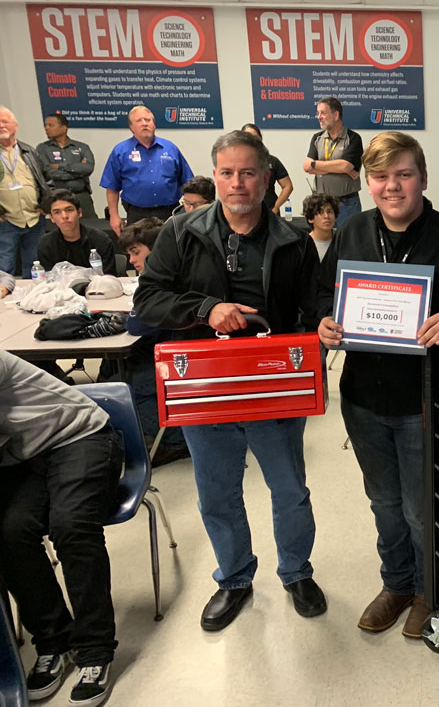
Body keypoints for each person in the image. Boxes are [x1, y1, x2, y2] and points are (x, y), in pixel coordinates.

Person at [317, 131, 439, 638]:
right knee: (383, 501)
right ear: (367, 182)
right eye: (380, 177)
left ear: (422, 179)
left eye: (403, 175)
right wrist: (323, 322)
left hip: (425, 399)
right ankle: (397, 583)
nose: (392, 187)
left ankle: (431, 590)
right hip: (362, 398)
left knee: (420, 505)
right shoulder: (352, 232)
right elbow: (319, 296)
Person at [134, 129, 325, 631]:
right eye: (227, 173)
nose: (237, 183)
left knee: (290, 492)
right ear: (214, 176)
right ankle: (235, 579)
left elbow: (315, 307)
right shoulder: (180, 232)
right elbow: (148, 299)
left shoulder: (295, 242)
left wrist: (322, 331)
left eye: (247, 173)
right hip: (206, 390)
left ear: (266, 179)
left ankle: (296, 572)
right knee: (217, 494)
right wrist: (206, 308)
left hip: (273, 388)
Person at [0, 349, 123, 707]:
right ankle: (54, 642)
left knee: (71, 525)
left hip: (81, 435)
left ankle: (95, 650)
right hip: (26, 453)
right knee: (11, 532)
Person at [114, 217, 188, 465]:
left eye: (136, 253)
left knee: (126, 383)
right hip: (172, 351)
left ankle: (176, 441)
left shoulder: (162, 283)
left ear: (157, 251)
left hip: (175, 359)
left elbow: (136, 325)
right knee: (112, 372)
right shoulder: (179, 271)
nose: (132, 261)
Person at [100, 106, 193, 236]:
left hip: (168, 212)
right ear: (131, 127)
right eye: (139, 121)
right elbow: (111, 187)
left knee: (171, 253)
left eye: (148, 120)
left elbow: (188, 182)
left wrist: (191, 209)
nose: (144, 123)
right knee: (138, 252)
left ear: (154, 124)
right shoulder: (120, 151)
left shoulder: (170, 148)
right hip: (137, 214)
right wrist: (114, 216)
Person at [0, 106, 51, 278]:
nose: (1, 126)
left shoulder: (29, 151)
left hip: (34, 217)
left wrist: (47, 204)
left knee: (35, 264)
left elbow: (46, 179)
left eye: (5, 122)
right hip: (5, 219)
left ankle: (32, 299)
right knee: (4, 265)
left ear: (15, 126)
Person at [304, 97, 363, 226]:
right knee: (325, 244)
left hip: (347, 204)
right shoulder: (317, 138)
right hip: (321, 203)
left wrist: (317, 165)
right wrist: (338, 168)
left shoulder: (353, 138)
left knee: (348, 242)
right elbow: (307, 167)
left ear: (336, 115)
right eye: (317, 113)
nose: (319, 117)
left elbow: (345, 166)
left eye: (323, 113)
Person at [37, 189, 117, 274]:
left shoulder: (101, 240)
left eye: (69, 210)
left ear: (79, 213)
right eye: (57, 212)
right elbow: (49, 280)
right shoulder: (46, 244)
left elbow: (109, 277)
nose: (64, 216)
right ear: (52, 218)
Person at [36, 113, 97, 219]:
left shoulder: (81, 147)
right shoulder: (42, 149)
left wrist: (60, 167)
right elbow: (48, 171)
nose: (46, 128)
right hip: (56, 197)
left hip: (81, 196)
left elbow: (88, 168)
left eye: (51, 125)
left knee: (91, 227)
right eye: (46, 125)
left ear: (64, 128)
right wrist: (77, 172)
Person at [241, 123, 293, 215]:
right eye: (248, 137)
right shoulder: (237, 162)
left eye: (255, 137)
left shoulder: (272, 161)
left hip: (270, 212)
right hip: (245, 213)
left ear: (260, 139)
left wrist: (276, 207)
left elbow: (287, 186)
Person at [303, 193, 338, 261]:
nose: (326, 216)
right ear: (310, 218)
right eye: (320, 212)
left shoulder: (343, 239)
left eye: (329, 211)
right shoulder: (304, 245)